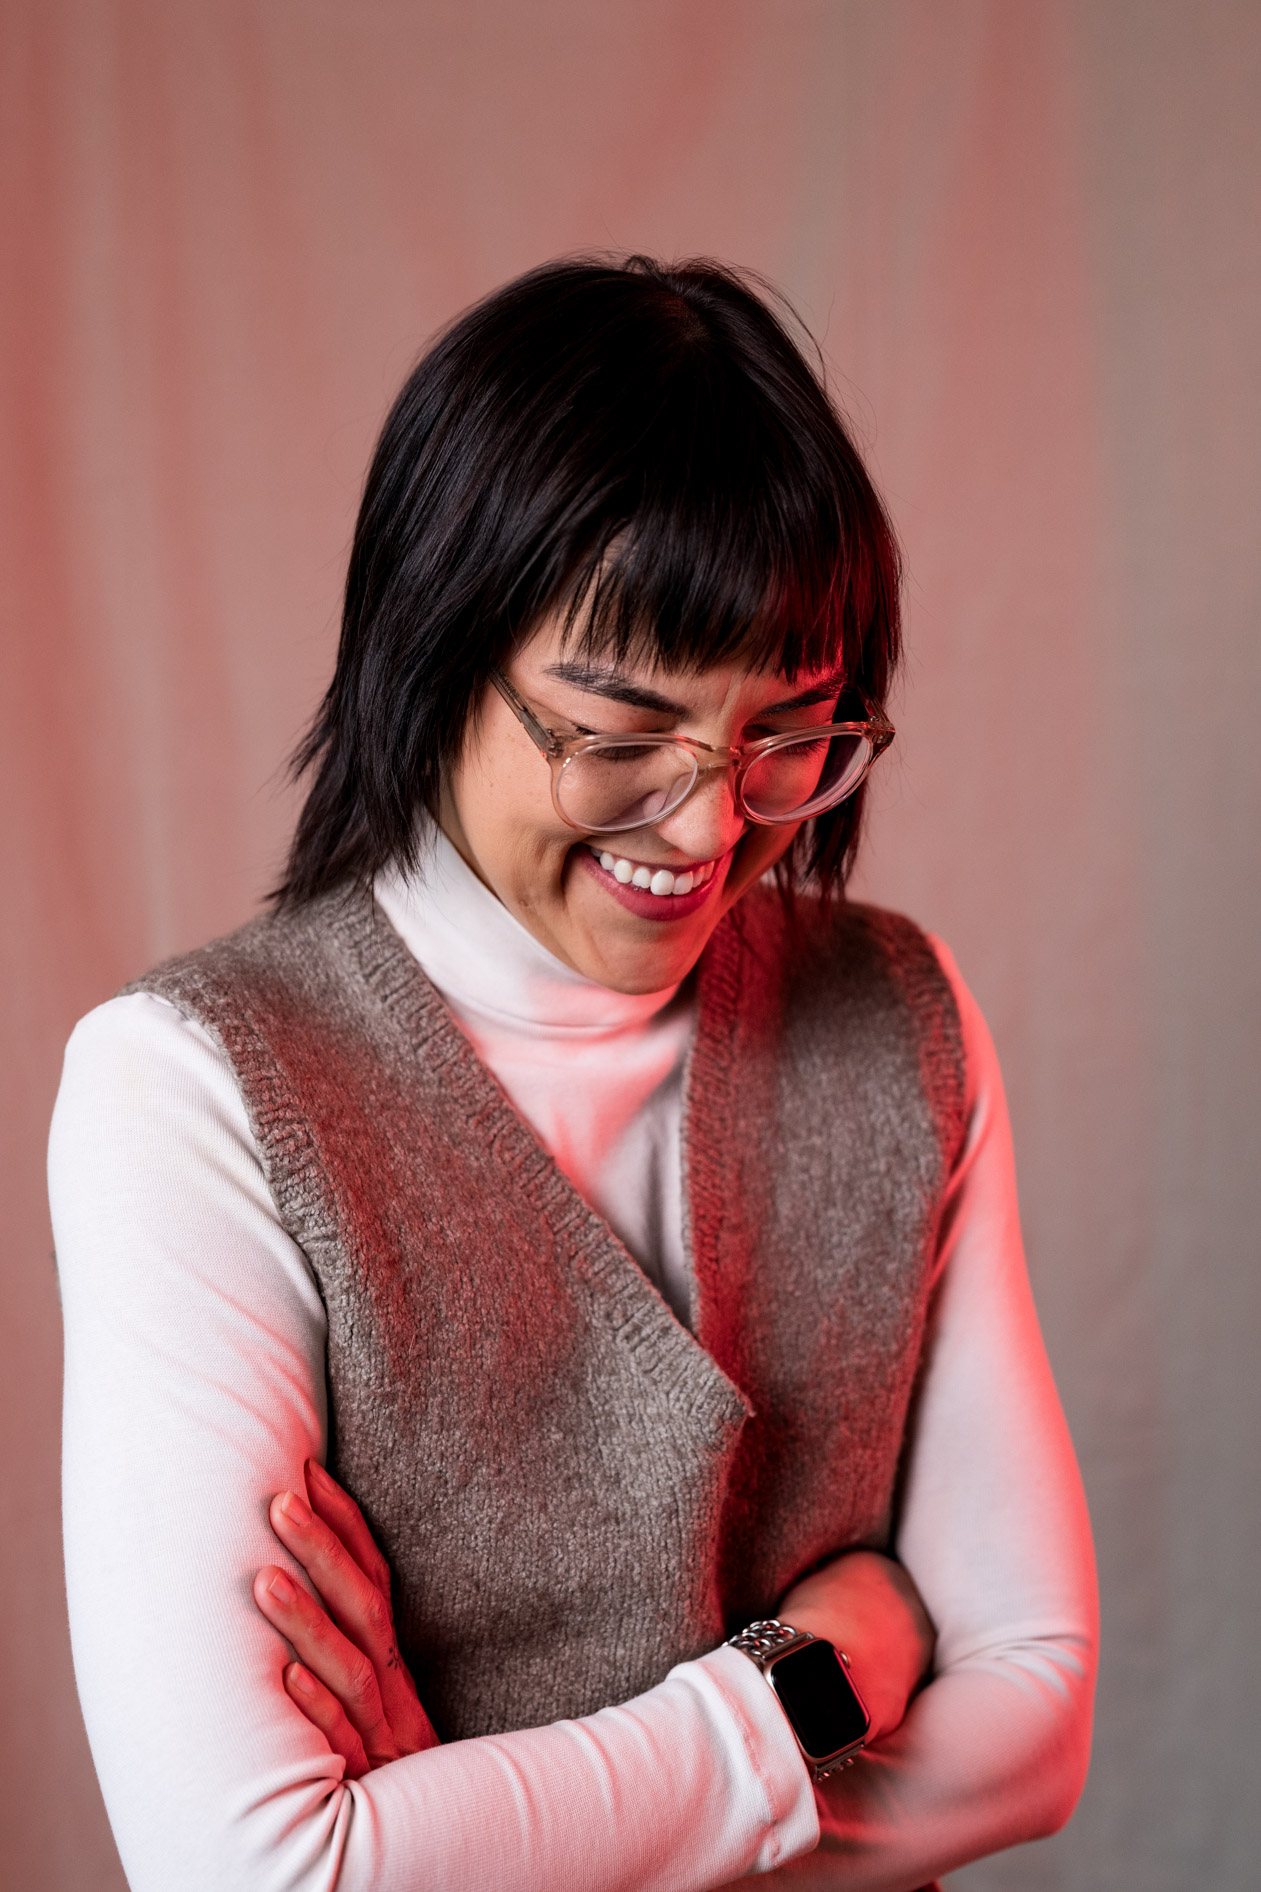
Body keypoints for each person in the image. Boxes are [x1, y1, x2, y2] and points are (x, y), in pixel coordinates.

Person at [50, 256, 1097, 1892]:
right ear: (432, 653)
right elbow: (254, 1870)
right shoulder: (187, 1090)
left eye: (788, 733)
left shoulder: (901, 1014)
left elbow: (1035, 1726)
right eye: (619, 733)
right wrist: (824, 1669)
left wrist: (497, 1839)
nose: (710, 825)